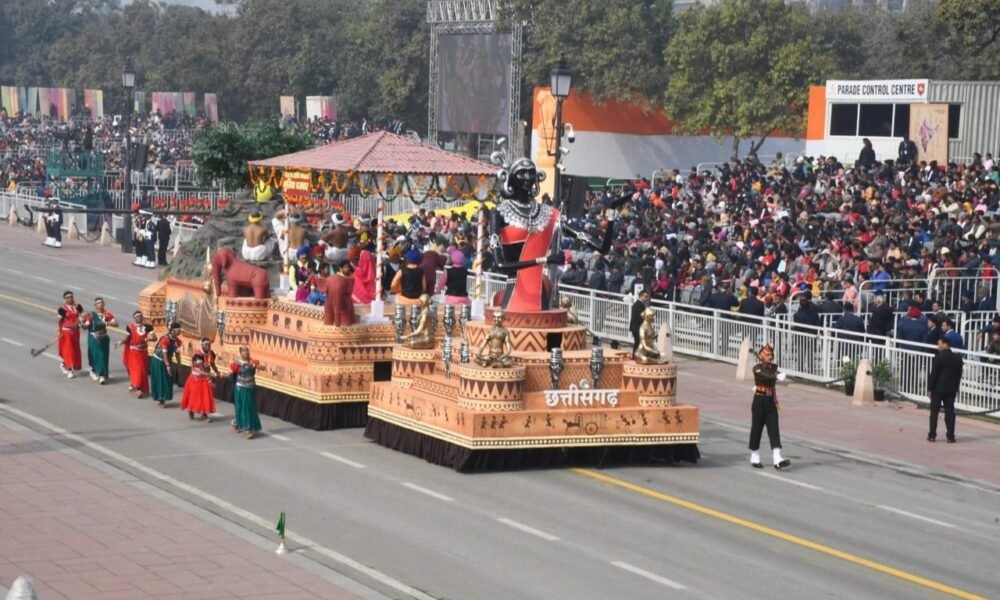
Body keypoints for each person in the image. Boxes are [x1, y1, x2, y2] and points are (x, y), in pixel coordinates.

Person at [749, 344, 790, 470]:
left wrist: (780, 376)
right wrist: (776, 376)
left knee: (774, 428)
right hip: (759, 401)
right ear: (762, 356)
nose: (770, 357)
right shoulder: (756, 368)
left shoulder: (773, 368)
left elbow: (772, 375)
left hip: (770, 401)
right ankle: (754, 455)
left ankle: (777, 458)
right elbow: (764, 376)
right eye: (767, 355)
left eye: (771, 355)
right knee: (757, 429)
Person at [927, 336, 963, 443]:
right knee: (950, 412)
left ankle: (932, 435)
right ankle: (950, 436)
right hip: (951, 389)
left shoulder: (939, 357)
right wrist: (956, 387)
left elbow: (934, 374)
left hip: (938, 388)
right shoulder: (957, 358)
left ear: (945, 344)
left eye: (940, 343)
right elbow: (959, 375)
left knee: (934, 413)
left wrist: (930, 388)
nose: (938, 346)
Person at [117, 310, 154, 397]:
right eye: (137, 316)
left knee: (143, 371)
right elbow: (128, 337)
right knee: (138, 370)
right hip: (134, 352)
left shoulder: (148, 327)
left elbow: (154, 337)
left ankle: (139, 387)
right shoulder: (130, 327)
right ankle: (137, 388)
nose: (139, 318)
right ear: (134, 318)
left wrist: (149, 339)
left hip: (144, 352)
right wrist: (121, 342)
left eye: (140, 316)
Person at [81, 297, 117, 384]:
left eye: (101, 302)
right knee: (96, 355)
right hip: (94, 338)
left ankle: (100, 373)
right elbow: (86, 326)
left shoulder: (107, 314)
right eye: (98, 303)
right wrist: (82, 321)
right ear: (95, 305)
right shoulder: (91, 315)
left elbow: (116, 323)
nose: (100, 304)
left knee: (103, 356)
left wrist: (106, 323)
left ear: (104, 304)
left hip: (104, 338)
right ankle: (99, 374)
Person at [230, 345, 263, 439]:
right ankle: (248, 429)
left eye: (247, 351)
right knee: (243, 408)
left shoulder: (252, 362)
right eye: (244, 351)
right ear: (240, 353)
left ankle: (237, 423)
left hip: (251, 388)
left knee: (249, 408)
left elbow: (262, 367)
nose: (246, 352)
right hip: (241, 388)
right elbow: (230, 373)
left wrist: (256, 366)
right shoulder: (237, 364)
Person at [150, 322, 181, 407]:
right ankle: (160, 399)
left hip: (168, 360)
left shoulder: (177, 341)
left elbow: (177, 353)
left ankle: (164, 397)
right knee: (161, 380)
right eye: (178, 330)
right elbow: (164, 353)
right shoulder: (165, 339)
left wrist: (179, 363)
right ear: (173, 331)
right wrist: (168, 366)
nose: (179, 332)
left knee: (167, 380)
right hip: (158, 361)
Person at [180, 352, 216, 422]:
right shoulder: (199, 357)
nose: (208, 347)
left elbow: (207, 368)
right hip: (196, 380)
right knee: (196, 397)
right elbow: (202, 371)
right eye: (206, 345)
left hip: (200, 379)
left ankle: (204, 414)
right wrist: (212, 375)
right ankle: (191, 411)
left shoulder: (208, 355)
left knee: (203, 397)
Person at [57, 291, 83, 378]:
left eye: (71, 297)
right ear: (65, 299)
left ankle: (64, 363)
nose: (70, 298)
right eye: (68, 297)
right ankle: (69, 370)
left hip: (76, 332)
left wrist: (79, 322)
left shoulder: (78, 306)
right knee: (69, 351)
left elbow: (83, 316)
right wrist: (59, 330)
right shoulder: (62, 309)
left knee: (75, 350)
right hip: (67, 331)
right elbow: (59, 320)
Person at [321, 261, 355, 326]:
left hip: (343, 300)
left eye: (348, 267)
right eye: (345, 267)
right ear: (341, 268)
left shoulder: (351, 277)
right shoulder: (337, 277)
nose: (347, 269)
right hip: (332, 301)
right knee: (329, 317)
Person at [629, 289, 651, 356]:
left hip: (636, 327)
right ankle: (635, 356)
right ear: (641, 296)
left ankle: (635, 355)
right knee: (638, 342)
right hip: (637, 327)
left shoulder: (639, 304)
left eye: (647, 296)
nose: (647, 298)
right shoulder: (638, 305)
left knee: (638, 342)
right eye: (646, 296)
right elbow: (640, 317)